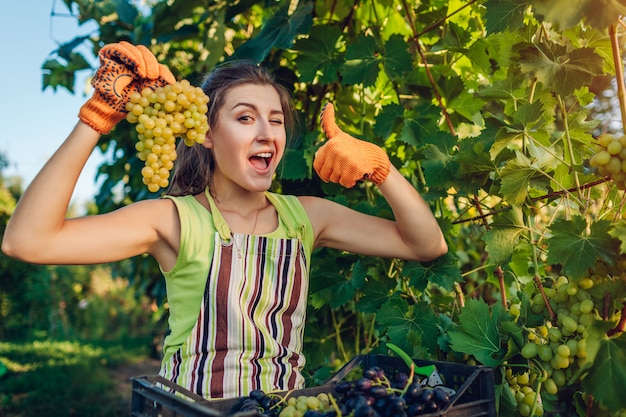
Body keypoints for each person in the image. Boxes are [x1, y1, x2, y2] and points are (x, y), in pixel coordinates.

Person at [1, 42, 447, 399]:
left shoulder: (307, 218)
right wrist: (96, 118)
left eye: (275, 120)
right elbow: (27, 241)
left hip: (283, 411)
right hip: (192, 412)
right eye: (245, 117)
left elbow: (425, 245)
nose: (266, 132)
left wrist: (381, 169)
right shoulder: (174, 220)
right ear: (208, 135)